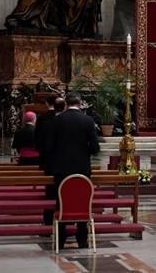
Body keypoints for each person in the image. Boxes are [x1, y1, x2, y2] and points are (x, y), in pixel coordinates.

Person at [44, 92, 100, 250]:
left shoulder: (56, 121)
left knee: (61, 202)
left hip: (61, 169)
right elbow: (95, 148)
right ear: (80, 104)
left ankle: (60, 240)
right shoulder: (88, 121)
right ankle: (82, 239)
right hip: (82, 168)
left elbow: (48, 147)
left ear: (66, 104)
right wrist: (83, 152)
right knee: (82, 201)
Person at [34, 94, 59, 226]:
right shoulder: (60, 119)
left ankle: (48, 221)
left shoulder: (42, 119)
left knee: (49, 191)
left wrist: (43, 156)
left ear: (47, 103)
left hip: (48, 161)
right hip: (62, 161)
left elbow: (38, 141)